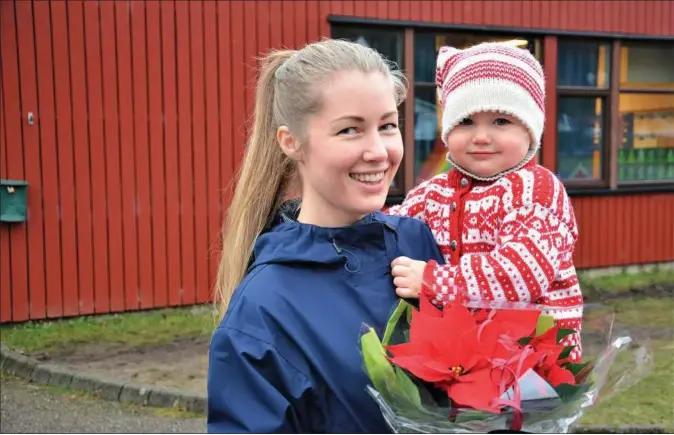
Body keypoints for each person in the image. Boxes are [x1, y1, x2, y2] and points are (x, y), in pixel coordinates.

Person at [207, 38, 445, 433]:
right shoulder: (263, 309)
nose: (378, 151)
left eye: (387, 126)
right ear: (291, 142)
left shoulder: (417, 241)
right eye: (350, 130)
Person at [387, 41, 584, 361]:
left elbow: (521, 274)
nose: (481, 136)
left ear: (530, 130)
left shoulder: (536, 191)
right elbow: (386, 227)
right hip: (462, 358)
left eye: (501, 121)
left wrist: (432, 280)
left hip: (533, 362)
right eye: (466, 121)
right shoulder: (431, 194)